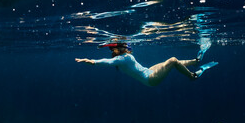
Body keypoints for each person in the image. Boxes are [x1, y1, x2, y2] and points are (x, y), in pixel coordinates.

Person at [75, 40, 218, 87]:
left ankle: (195, 62)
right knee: (173, 60)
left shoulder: (123, 56)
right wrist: (91, 61)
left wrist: (92, 61)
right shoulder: (121, 58)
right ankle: (192, 76)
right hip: (150, 79)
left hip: (148, 72)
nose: (111, 51)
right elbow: (106, 62)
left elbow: (109, 59)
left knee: (167, 63)